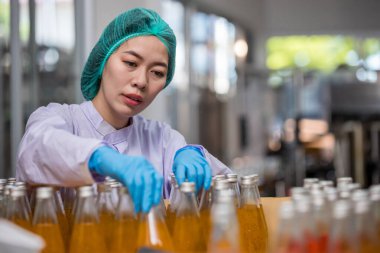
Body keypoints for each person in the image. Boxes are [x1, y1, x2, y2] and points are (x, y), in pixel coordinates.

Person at [16, 8, 231, 213]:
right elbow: (35, 150)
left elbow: (233, 194)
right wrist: (99, 157)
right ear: (103, 60)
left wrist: (197, 158)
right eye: (130, 63)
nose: (141, 81)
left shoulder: (164, 140)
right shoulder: (59, 119)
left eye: (157, 72)